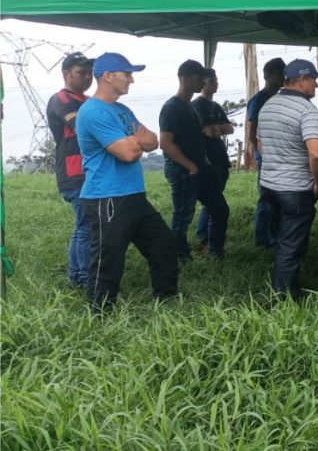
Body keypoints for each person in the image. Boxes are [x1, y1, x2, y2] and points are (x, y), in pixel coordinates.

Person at [76, 53, 178, 312]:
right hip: (106, 197)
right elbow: (129, 153)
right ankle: (98, 315)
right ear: (108, 76)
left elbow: (153, 141)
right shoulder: (92, 111)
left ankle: (165, 300)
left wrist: (137, 140)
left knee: (163, 245)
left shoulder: (121, 110)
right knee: (107, 261)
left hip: (134, 195)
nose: (131, 80)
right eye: (127, 73)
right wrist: (136, 140)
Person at [257, 59, 318, 300]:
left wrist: (279, 163)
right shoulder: (307, 110)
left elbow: (260, 143)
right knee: (291, 244)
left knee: (282, 240)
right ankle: (283, 297)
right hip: (295, 188)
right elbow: (317, 154)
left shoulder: (268, 106)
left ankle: (288, 285)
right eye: (314, 81)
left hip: (269, 185)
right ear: (302, 80)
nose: (316, 87)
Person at [159, 60, 231, 260]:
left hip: (201, 168)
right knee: (182, 217)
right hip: (182, 171)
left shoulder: (190, 107)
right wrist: (190, 166)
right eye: (200, 77)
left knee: (220, 209)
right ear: (185, 78)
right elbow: (165, 142)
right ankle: (179, 257)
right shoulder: (172, 107)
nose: (204, 81)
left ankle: (216, 252)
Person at [46, 52, 94, 289]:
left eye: (89, 72)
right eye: (81, 72)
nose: (87, 77)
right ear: (66, 74)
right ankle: (85, 279)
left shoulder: (86, 101)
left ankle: (76, 277)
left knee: (82, 225)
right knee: (87, 226)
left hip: (85, 172)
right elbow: (82, 125)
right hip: (73, 173)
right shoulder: (61, 99)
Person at [192, 69, 234, 246]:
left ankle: (206, 237)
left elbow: (229, 128)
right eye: (213, 81)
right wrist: (214, 129)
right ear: (204, 83)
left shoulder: (215, 106)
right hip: (207, 161)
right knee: (213, 202)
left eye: (217, 80)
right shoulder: (196, 105)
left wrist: (217, 128)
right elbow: (205, 131)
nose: (217, 84)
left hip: (220, 159)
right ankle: (203, 237)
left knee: (216, 200)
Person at [247, 57, 286, 247]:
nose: (282, 78)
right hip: (267, 158)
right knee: (266, 199)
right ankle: (262, 240)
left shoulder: (281, 99)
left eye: (283, 74)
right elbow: (252, 135)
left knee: (279, 199)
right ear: (267, 76)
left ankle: (275, 236)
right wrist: (263, 156)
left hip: (281, 156)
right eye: (279, 74)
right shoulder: (258, 100)